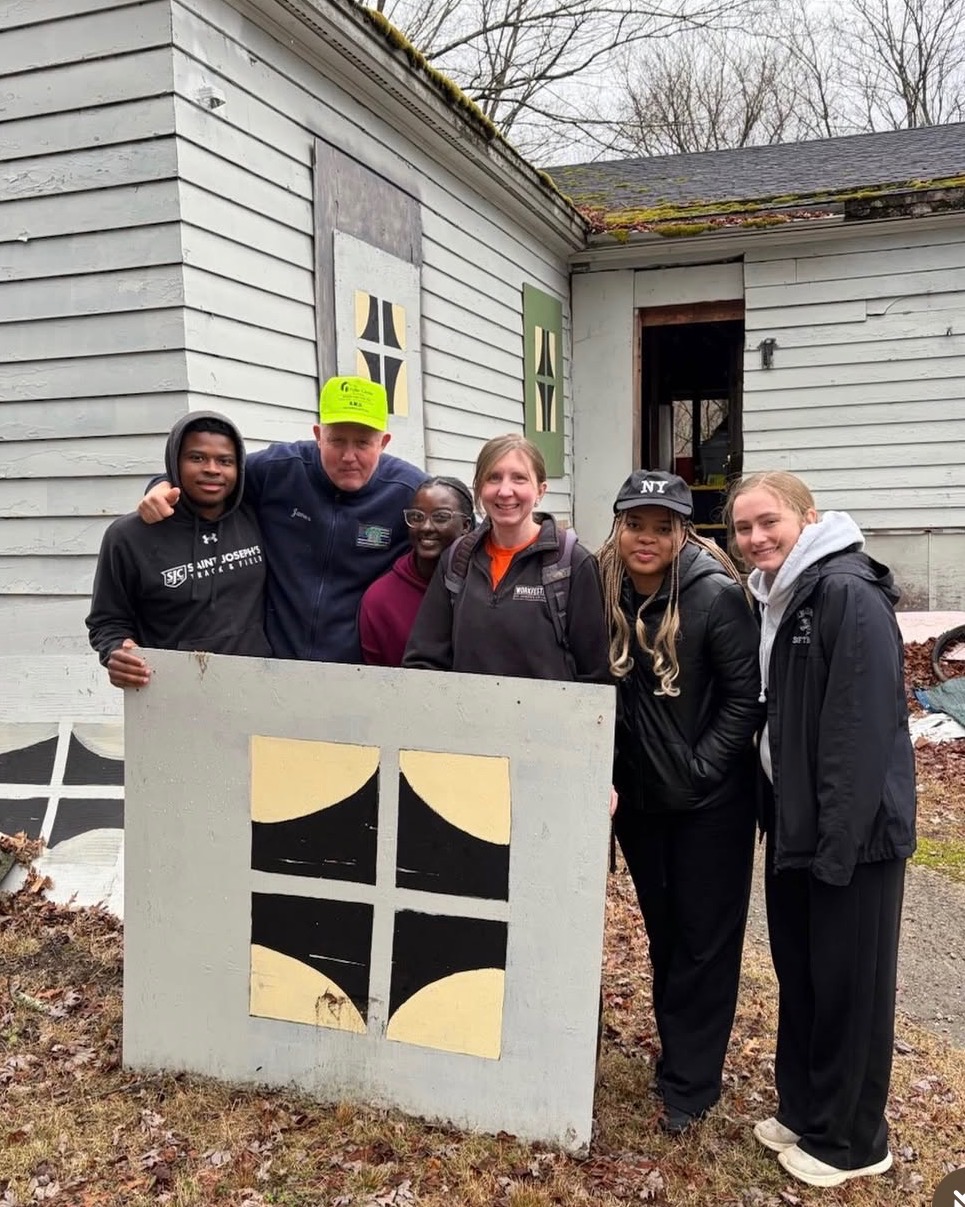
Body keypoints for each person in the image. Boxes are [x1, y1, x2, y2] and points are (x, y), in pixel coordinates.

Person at [728, 471, 916, 1189]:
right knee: (804, 974)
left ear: (806, 518)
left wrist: (838, 844)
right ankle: (806, 1107)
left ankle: (852, 1139)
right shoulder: (777, 593)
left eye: (767, 522)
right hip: (797, 820)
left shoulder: (846, 592)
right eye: (742, 527)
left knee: (850, 985)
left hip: (853, 834)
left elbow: (858, 731)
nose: (755, 538)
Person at [597, 470, 761, 1135]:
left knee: (704, 941)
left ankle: (691, 1084)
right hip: (640, 802)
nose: (646, 538)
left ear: (682, 532)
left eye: (661, 527)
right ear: (619, 526)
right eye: (635, 524)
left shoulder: (714, 595)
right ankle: (676, 1056)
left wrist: (701, 770)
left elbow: (743, 698)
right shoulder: (602, 586)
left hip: (709, 806)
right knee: (665, 932)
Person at [137, 377, 426, 663]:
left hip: (359, 668)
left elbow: (449, 523)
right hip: (273, 663)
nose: (349, 456)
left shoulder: (408, 490)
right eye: (337, 440)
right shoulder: (279, 469)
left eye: (363, 442)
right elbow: (213, 480)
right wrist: (162, 485)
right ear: (318, 435)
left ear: (383, 442)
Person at [86, 412, 272, 688]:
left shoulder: (257, 515)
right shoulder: (128, 536)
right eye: (197, 458)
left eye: (225, 461)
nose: (212, 469)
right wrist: (117, 651)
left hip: (257, 686)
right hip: (172, 691)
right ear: (175, 462)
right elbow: (107, 621)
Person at [403, 433, 609, 682]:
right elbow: (424, 660)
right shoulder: (457, 560)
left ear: (540, 490)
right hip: (468, 707)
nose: (504, 491)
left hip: (548, 709)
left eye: (519, 478)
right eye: (493, 477)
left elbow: (595, 675)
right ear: (479, 488)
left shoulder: (570, 564)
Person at [359, 477, 475, 667]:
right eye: (417, 517)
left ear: (466, 526)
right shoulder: (380, 599)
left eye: (441, 517)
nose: (426, 527)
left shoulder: (485, 585)